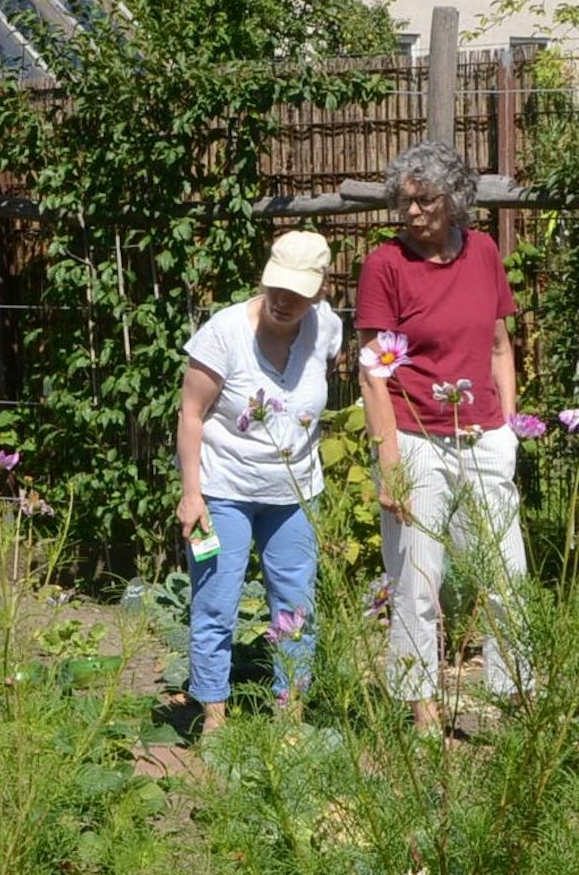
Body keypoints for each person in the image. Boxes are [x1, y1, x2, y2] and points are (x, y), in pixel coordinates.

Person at [357, 141, 527, 733]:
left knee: (506, 573)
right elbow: (373, 371)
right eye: (403, 201)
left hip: (483, 433)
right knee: (417, 578)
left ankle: (515, 696)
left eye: (425, 200)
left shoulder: (482, 252)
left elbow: (501, 344)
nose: (412, 213)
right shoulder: (385, 265)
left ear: (454, 200)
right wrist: (391, 462)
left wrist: (507, 426)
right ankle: (422, 706)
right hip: (415, 436)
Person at [176, 230, 341, 733]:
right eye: (277, 288)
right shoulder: (224, 333)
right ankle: (213, 716)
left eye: (299, 291)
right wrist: (191, 493)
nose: (284, 301)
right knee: (216, 600)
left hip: (294, 494)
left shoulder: (326, 328)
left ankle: (289, 712)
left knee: (295, 606)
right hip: (224, 491)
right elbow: (190, 413)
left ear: (320, 290)